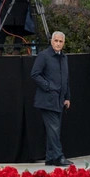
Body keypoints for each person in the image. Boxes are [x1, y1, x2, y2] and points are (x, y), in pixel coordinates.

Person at [30, 30, 73, 167]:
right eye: (56, 41)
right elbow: (35, 74)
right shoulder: (44, 56)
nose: (58, 44)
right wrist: (48, 86)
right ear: (51, 41)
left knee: (54, 130)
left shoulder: (64, 58)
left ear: (64, 43)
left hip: (60, 100)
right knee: (54, 129)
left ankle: (50, 158)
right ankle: (59, 156)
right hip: (47, 100)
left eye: (61, 41)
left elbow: (66, 79)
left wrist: (67, 97)